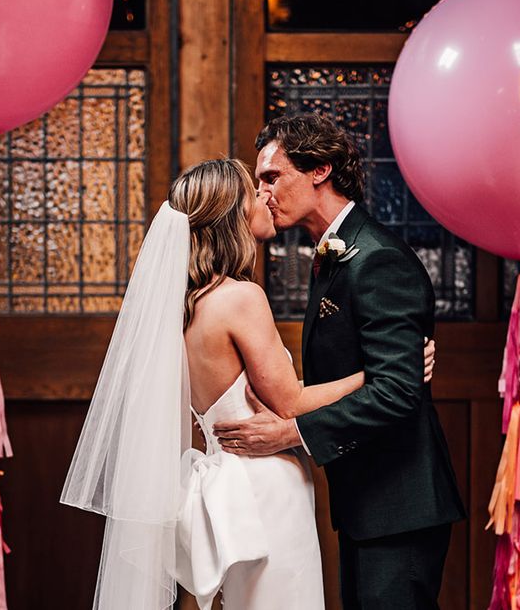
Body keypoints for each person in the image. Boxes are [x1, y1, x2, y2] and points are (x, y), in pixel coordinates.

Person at [61, 158, 435, 609]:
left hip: (230, 483)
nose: (264, 195)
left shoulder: (186, 305)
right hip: (264, 486)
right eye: (253, 191)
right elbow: (291, 402)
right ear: (231, 215)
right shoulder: (240, 297)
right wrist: (374, 374)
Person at [213, 114, 466, 609]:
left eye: (272, 177)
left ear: (319, 170)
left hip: (401, 506)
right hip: (366, 505)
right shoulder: (334, 255)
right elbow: (375, 374)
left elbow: (396, 391)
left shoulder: (377, 259)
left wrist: (292, 433)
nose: (262, 194)